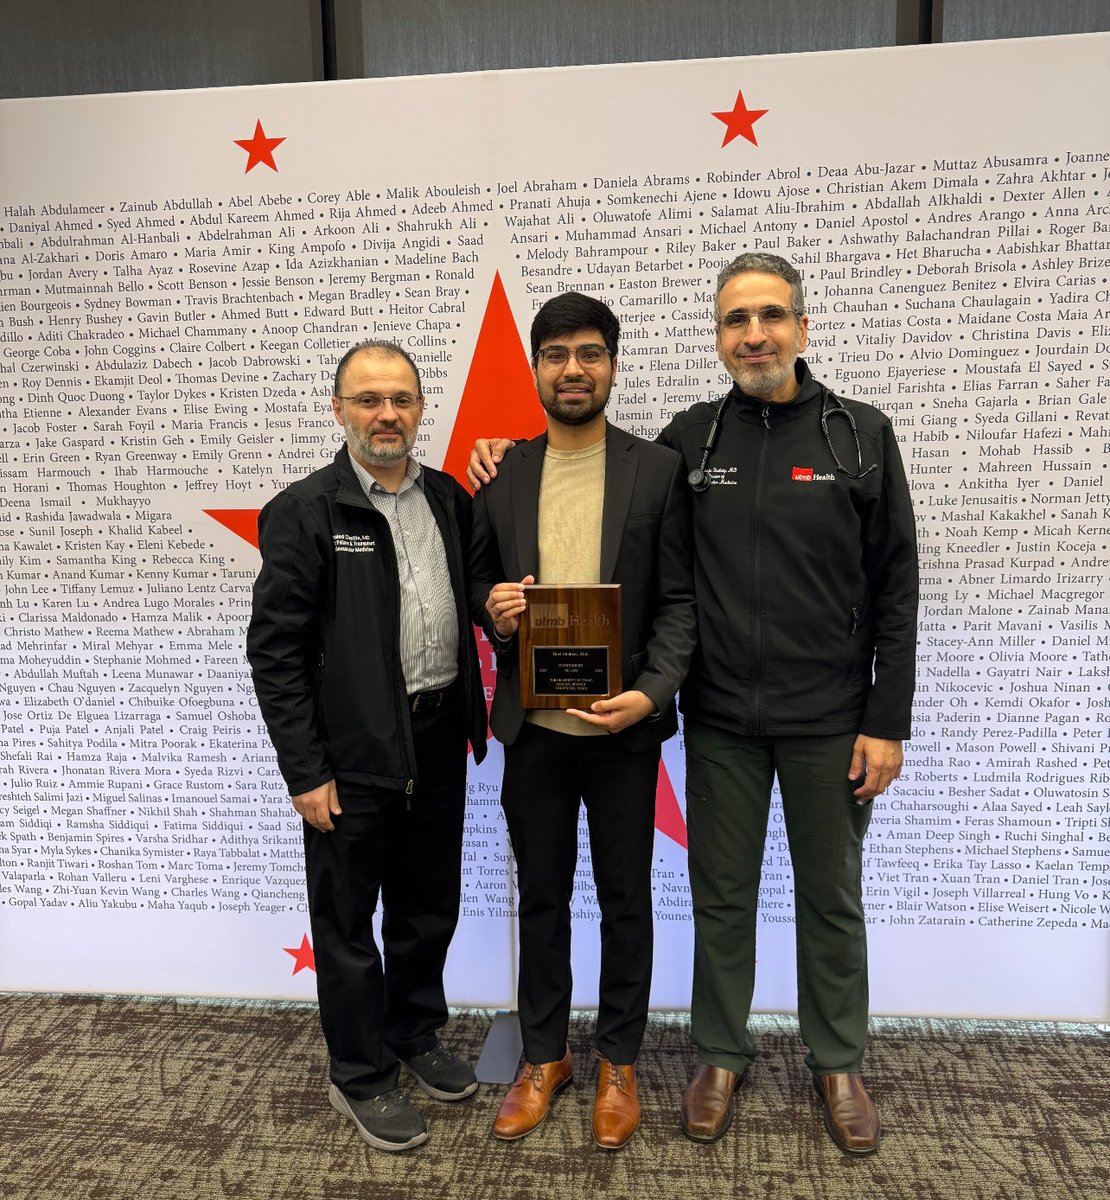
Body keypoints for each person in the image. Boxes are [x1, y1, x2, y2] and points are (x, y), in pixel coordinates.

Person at [468, 253, 918, 1155]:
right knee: (721, 896)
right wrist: (494, 448)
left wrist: (887, 718)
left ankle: (836, 1061)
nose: (753, 335)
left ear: (799, 324)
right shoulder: (689, 443)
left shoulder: (861, 435)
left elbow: (896, 587)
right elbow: (595, 489)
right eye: (734, 321)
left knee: (831, 898)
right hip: (718, 718)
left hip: (830, 717)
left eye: (769, 316)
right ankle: (721, 1054)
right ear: (717, 338)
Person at [247, 339, 488, 1154]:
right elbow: (274, 652)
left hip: (436, 741)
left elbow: (483, 593)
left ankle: (415, 1035)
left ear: (422, 409)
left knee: (427, 910)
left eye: (402, 400)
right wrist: (305, 771)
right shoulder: (306, 511)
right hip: (348, 758)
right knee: (348, 925)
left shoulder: (450, 500)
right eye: (368, 400)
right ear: (340, 409)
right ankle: (360, 1072)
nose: (387, 415)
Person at [469, 291, 696, 1150]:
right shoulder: (501, 474)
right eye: (557, 354)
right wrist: (493, 609)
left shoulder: (657, 471)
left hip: (622, 730)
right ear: (534, 368)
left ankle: (619, 1061)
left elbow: (680, 603)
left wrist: (654, 690)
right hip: (533, 732)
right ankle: (542, 1056)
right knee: (542, 901)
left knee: (626, 902)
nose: (574, 369)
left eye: (590, 353)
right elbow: (477, 589)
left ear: (611, 364)